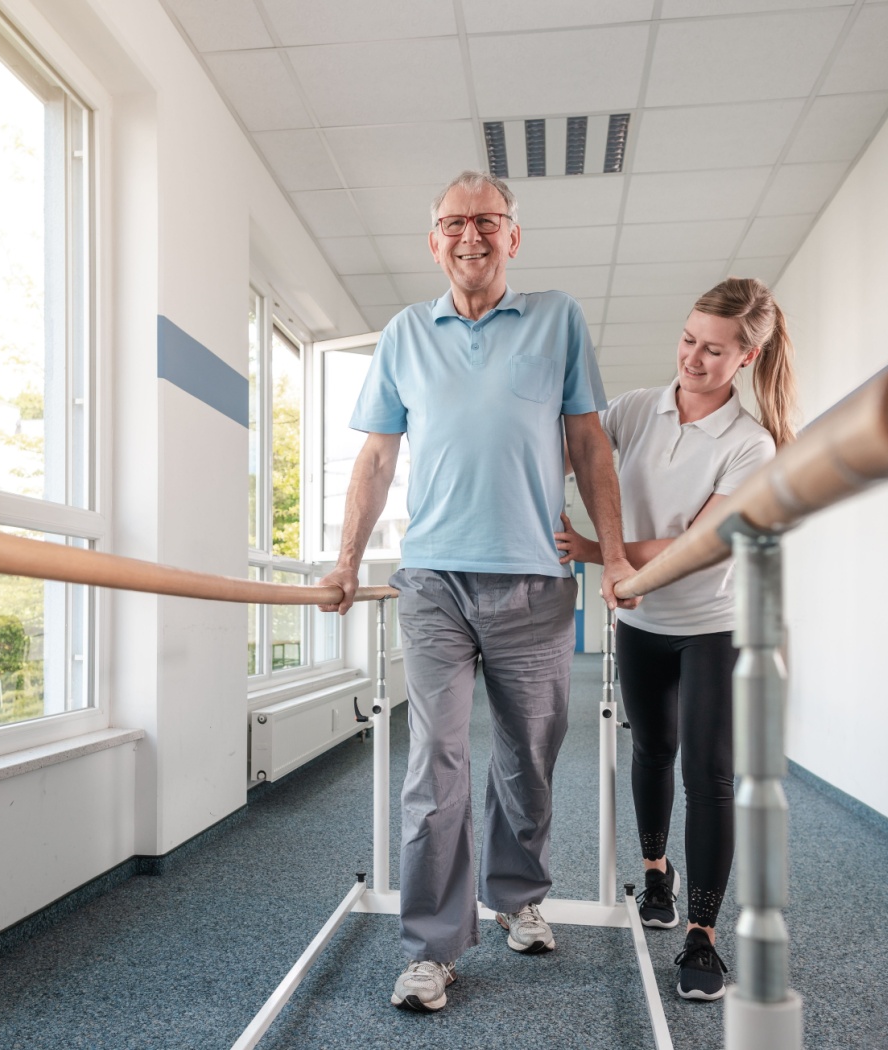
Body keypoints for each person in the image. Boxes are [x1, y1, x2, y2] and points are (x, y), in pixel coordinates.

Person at [317, 170, 637, 1014]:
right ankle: (431, 946)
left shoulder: (558, 319)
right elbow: (377, 459)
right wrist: (348, 561)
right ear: (433, 240)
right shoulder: (402, 335)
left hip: (534, 582)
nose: (470, 235)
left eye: (487, 221)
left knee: (528, 758)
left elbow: (590, 447)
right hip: (433, 584)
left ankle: (518, 894)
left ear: (513, 236)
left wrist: (617, 560)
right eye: (453, 222)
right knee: (437, 765)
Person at [555, 277, 798, 1003]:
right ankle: (656, 870)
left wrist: (599, 552)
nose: (693, 357)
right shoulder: (634, 410)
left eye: (713, 349)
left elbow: (702, 543)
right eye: (689, 339)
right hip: (640, 624)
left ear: (746, 358)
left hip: (710, 627)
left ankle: (702, 934)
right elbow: (571, 457)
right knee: (652, 750)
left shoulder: (751, 445)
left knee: (710, 775)